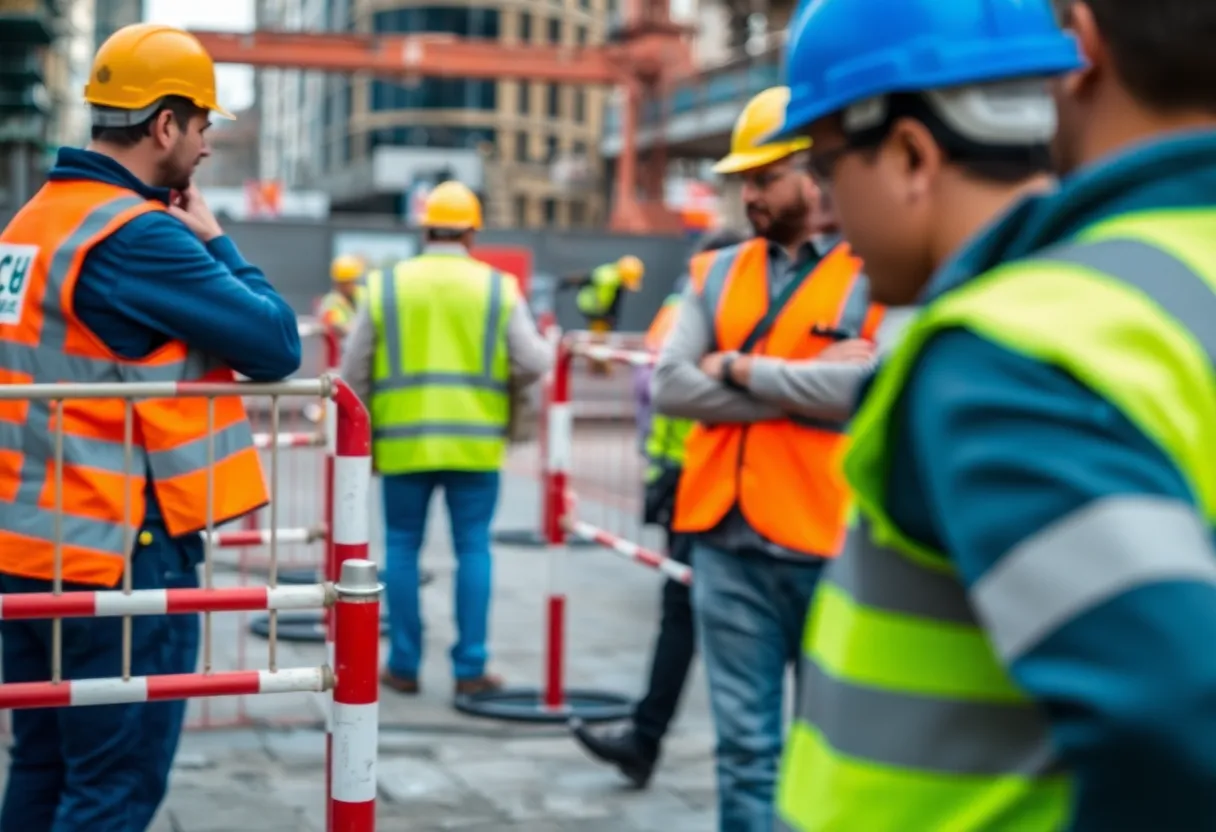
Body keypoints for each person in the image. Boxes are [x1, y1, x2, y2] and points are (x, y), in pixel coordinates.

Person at [773, 0, 1216, 830]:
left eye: (828, 169)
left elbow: (1176, 717)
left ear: (909, 154)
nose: (824, 213)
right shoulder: (1177, 277)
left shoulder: (1009, 357)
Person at [0, 22, 301, 831]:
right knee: (112, 789)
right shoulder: (139, 236)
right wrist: (218, 239)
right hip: (116, 556)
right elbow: (275, 343)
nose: (205, 146)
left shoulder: (32, 224)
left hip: (29, 548)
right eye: (202, 124)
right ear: (165, 123)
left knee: (42, 765)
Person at [651, 85, 893, 832]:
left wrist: (739, 369)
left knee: (831, 751)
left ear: (811, 172)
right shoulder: (716, 273)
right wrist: (804, 388)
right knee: (746, 750)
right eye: (743, 182)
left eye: (762, 178)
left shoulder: (873, 267)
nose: (747, 195)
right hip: (724, 536)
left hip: (825, 538)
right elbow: (669, 384)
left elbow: (869, 387)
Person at [340, 180, 553, 699]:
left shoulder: (387, 286)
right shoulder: (497, 288)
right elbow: (536, 362)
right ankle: (470, 667)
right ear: (472, 232)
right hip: (475, 445)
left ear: (425, 228)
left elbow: (353, 370)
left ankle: (405, 664)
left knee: (403, 550)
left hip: (403, 445)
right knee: (473, 550)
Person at [571, 227, 745, 788]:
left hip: (713, 481)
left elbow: (658, 389)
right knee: (683, 610)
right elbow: (662, 385)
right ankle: (646, 740)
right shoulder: (695, 310)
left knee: (700, 616)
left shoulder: (702, 311)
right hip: (695, 482)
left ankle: (653, 741)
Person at [559, 255, 645, 374]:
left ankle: (598, 365)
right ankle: (599, 366)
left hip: (597, 311)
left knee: (600, 336)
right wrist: (607, 316)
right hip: (598, 312)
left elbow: (585, 279)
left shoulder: (610, 275)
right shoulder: (609, 280)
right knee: (600, 337)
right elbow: (605, 300)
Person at [319, 253, 368, 336]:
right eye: (342, 283)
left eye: (348, 282)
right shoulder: (330, 302)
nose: (345, 287)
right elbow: (339, 327)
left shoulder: (365, 295)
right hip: (342, 347)